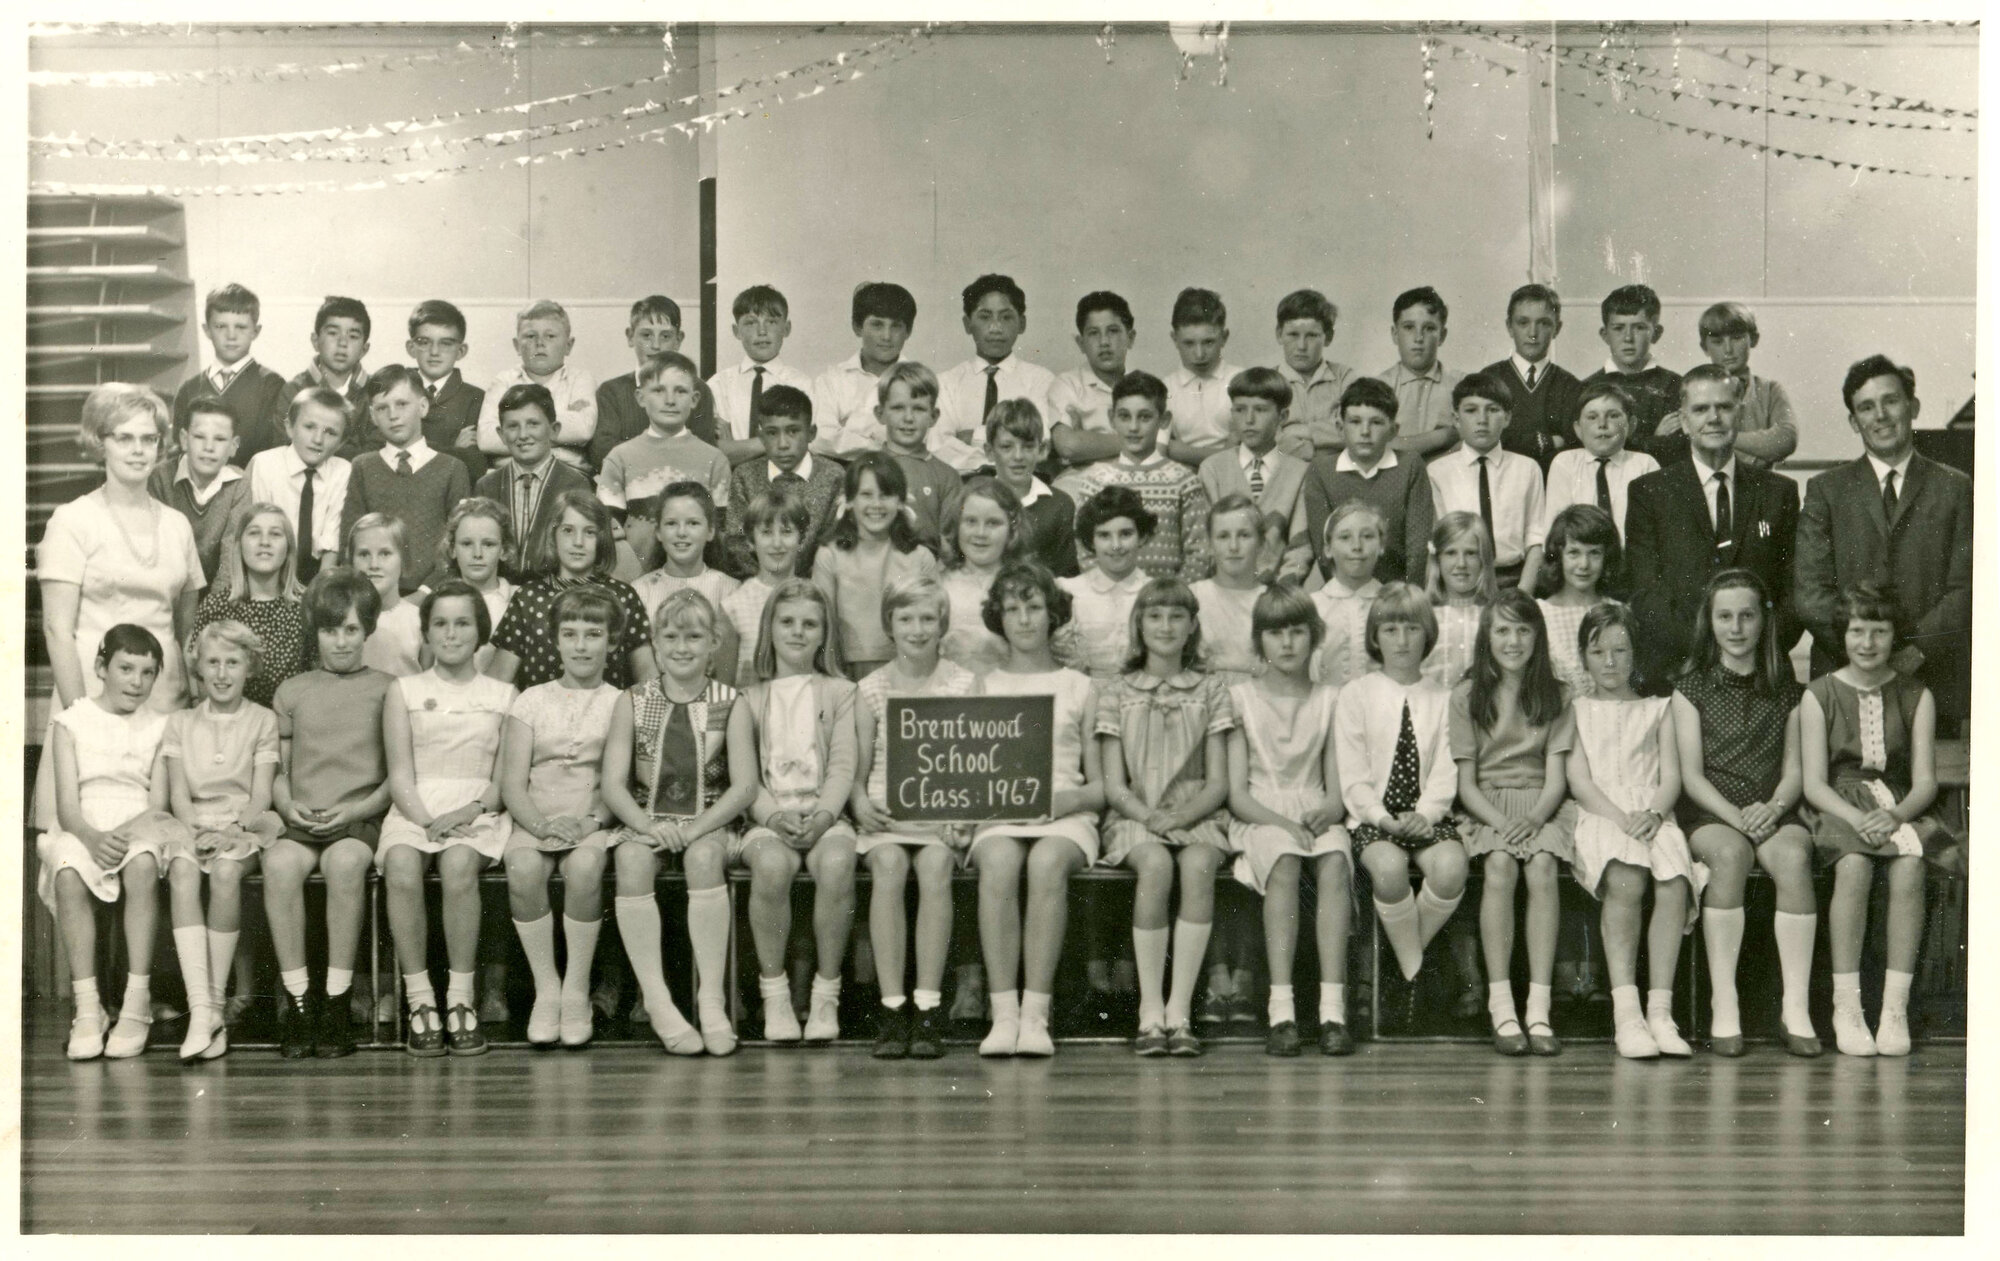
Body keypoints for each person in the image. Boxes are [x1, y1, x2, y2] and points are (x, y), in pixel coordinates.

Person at [1800, 585, 1960, 1058]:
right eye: (1857, 631)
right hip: (1837, 804)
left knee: (1910, 867)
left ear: (1895, 636)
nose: (1867, 643)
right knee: (1853, 866)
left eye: (1879, 631)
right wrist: (1857, 817)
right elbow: (1814, 784)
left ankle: (1894, 1009)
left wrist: (1894, 815)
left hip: (1897, 803)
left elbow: (1925, 782)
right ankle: (1846, 1007)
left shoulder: (1915, 694)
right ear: (1842, 635)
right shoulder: (1819, 694)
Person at [602, 589, 756, 1056]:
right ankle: (658, 1000)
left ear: (713, 644)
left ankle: (711, 999)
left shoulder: (732, 701)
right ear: (654, 643)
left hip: (708, 819)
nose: (682, 647)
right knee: (631, 861)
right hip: (647, 819)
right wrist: (649, 828)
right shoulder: (632, 700)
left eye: (694, 637)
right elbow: (613, 785)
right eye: (670, 637)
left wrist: (693, 830)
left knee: (704, 859)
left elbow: (744, 787)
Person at [1671, 569, 1817, 1057]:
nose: (1736, 628)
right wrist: (1737, 817)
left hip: (1773, 810)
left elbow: (1795, 770)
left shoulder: (1789, 691)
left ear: (1764, 621)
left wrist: (1772, 809)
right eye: (1725, 617)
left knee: (1794, 858)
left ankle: (1795, 1009)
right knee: (1731, 857)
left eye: (1747, 616)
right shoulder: (1690, 689)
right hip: (1713, 814)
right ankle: (1724, 1003)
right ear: (1709, 622)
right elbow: (1691, 777)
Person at [968, 563, 1104, 1058]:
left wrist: (1061, 802)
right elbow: (970, 776)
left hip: (1066, 814)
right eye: (1012, 609)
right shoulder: (983, 686)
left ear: (1053, 614)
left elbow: (1100, 787)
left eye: (1034, 607)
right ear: (998, 619)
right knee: (1000, 861)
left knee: (1046, 862)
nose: (1024, 619)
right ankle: (1004, 1014)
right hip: (1001, 814)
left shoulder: (1080, 686)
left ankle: (1035, 1016)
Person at [1097, 578, 1237, 1057]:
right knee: (1155, 866)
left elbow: (1218, 782)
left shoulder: (1211, 689)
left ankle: (1180, 1012)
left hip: (1197, 813)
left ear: (1193, 625)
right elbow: (1114, 785)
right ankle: (1150, 1010)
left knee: (1198, 865)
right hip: (1135, 814)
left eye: (1177, 616)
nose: (1165, 626)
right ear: (1139, 624)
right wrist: (1151, 817)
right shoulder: (1116, 690)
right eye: (1154, 616)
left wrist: (1181, 816)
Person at [1795, 354, 1973, 726]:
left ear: (1913, 407)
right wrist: (1864, 656)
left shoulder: (1955, 487)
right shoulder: (1826, 490)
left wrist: (1915, 653)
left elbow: (1966, 588)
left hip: (1933, 680)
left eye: (1890, 401)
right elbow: (1811, 593)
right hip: (1844, 682)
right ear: (1853, 421)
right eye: (1866, 407)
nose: (1880, 416)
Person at [378, 581, 515, 1057]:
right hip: (416, 807)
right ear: (426, 632)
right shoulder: (404, 690)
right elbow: (400, 775)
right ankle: (420, 1001)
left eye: (462, 623)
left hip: (478, 809)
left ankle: (460, 999)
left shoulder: (503, 694)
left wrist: (468, 811)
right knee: (400, 863)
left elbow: (502, 781)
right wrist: (428, 820)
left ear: (480, 632)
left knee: (458, 864)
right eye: (440, 623)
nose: (451, 634)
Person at [265, 568, 395, 1059]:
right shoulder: (292, 690)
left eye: (351, 629)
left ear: (368, 630)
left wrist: (355, 810)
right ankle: (300, 1002)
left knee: (344, 864)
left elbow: (396, 776)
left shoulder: (388, 688)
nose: (340, 641)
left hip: (359, 818)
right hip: (302, 820)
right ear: (314, 631)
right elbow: (278, 770)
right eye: (329, 629)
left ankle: (337, 1000)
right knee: (278, 864)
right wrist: (287, 805)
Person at [849, 577, 978, 1059]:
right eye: (906, 618)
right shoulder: (871, 688)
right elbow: (857, 771)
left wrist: (962, 817)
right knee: (888, 867)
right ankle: (891, 1008)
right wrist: (860, 803)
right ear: (890, 624)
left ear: (943, 623)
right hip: (886, 817)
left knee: (936, 868)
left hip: (939, 819)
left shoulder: (964, 683)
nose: (917, 629)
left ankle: (927, 1007)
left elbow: (975, 763)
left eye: (928, 618)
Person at [1564, 601, 1697, 1060]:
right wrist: (1621, 819)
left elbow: (1672, 777)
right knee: (1626, 875)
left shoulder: (1658, 709)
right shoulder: (1575, 710)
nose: (1610, 662)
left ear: (1635, 654)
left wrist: (1654, 814)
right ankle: (1627, 1014)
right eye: (1598, 652)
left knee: (1674, 878)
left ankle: (1661, 1012)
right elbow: (1580, 782)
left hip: (1652, 812)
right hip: (1601, 813)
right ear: (1583, 657)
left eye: (1620, 651)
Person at [1332, 583, 1468, 1032]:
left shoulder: (1444, 698)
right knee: (1388, 869)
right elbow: (1352, 774)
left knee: (1451, 867)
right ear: (1375, 637)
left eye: (1412, 628)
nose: (1402, 640)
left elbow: (1447, 769)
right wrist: (1383, 818)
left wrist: (1425, 815)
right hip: (1375, 818)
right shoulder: (1357, 693)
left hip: (1427, 815)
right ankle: (1410, 972)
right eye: (1390, 629)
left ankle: (1396, 962)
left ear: (1428, 634)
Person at [1226, 585, 1353, 1056]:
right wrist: (1282, 824)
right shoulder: (1239, 698)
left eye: (1297, 631)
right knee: (1284, 859)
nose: (1287, 643)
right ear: (1259, 640)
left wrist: (1328, 811)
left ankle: (1333, 1012)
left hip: (1313, 810)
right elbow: (1237, 795)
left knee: (1335, 860)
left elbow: (1336, 791)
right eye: (1275, 633)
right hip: (1260, 815)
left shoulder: (1332, 698)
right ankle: (1282, 1012)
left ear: (1314, 637)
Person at [37, 625, 174, 1061]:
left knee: (143, 864)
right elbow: (66, 807)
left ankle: (136, 1002)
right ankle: (88, 1008)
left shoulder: (161, 727)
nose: (136, 681)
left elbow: (158, 804)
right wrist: (93, 839)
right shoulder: (71, 721)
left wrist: (124, 836)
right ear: (101, 667)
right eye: (125, 668)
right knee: (67, 870)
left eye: (147, 672)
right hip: (84, 826)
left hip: (139, 822)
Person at [734, 579, 860, 1043]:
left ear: (825, 634)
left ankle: (827, 993)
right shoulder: (749, 697)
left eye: (810, 624)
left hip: (826, 817)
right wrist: (772, 817)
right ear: (769, 629)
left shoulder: (841, 692)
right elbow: (746, 777)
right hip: (770, 818)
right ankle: (776, 995)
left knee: (838, 862)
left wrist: (824, 817)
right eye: (786, 622)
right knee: (770, 867)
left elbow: (843, 764)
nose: (798, 632)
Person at [1450, 591, 1576, 1057]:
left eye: (1523, 630)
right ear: (1486, 637)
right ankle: (1501, 1006)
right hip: (1487, 805)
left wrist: (1536, 818)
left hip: (1542, 802)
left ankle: (1539, 1008)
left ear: (1538, 636)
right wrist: (1503, 823)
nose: (1513, 640)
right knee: (1500, 866)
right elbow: (1466, 785)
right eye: (1502, 630)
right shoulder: (1466, 695)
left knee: (1542, 867)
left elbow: (1557, 777)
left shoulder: (1558, 693)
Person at [1625, 364, 1801, 690]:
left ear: (1740, 414)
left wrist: (1753, 651)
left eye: (1724, 407)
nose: (1714, 418)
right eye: (1701, 409)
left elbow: (1793, 592)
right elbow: (1646, 594)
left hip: (1762, 674)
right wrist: (1706, 652)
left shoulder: (1779, 492)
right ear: (1684, 420)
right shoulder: (1649, 492)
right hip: (1678, 673)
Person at [498, 585, 622, 1047]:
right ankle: (547, 989)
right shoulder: (530, 700)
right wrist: (540, 826)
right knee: (523, 867)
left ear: (612, 641)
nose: (581, 645)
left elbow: (619, 781)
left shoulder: (620, 702)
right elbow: (513, 784)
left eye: (593, 634)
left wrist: (589, 823)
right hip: (536, 819)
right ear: (555, 640)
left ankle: (576, 990)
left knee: (585, 867)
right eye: (570, 634)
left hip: (592, 819)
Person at [41, 383, 206, 724]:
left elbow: (186, 629)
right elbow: (57, 630)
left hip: (165, 701)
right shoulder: (72, 520)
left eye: (149, 439)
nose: (138, 450)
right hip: (91, 697)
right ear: (100, 443)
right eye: (124, 438)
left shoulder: (177, 525)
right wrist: (81, 719)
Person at [160, 620, 284, 1061]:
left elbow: (261, 795)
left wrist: (231, 830)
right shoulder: (180, 722)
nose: (222, 673)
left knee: (227, 871)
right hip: (193, 825)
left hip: (242, 825)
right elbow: (178, 794)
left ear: (250, 667)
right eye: (212, 662)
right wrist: (195, 830)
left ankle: (213, 1002)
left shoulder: (262, 720)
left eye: (232, 662)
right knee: (181, 869)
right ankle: (203, 1009)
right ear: (198, 668)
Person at [487, 490, 655, 691]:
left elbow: (646, 674)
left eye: (589, 532)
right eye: (568, 530)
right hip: (539, 710)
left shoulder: (622, 596)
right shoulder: (528, 597)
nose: (578, 542)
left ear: (602, 539)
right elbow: (498, 681)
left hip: (607, 710)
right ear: (553, 535)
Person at [1064, 370, 1213, 583]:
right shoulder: (1096, 481)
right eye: (1124, 416)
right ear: (1112, 418)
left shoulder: (1183, 480)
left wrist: (1171, 596)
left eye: (1144, 417)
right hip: (1110, 597)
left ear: (1164, 420)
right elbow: (1086, 550)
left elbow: (1200, 553)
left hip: (1168, 598)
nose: (1133, 427)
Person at [1290, 377, 1435, 586]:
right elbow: (1324, 548)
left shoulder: (1410, 465)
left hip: (1398, 591)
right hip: (1344, 590)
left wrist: (1407, 596)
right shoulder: (1321, 470)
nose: (1365, 432)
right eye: (1355, 422)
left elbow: (1418, 548)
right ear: (1340, 427)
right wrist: (1347, 594)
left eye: (1376, 422)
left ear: (1393, 430)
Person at [811, 451, 941, 679]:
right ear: (850, 500)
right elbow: (822, 624)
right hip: (844, 672)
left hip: (908, 670)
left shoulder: (920, 557)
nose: (876, 504)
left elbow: (934, 623)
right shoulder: (829, 555)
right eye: (866, 494)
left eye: (886, 495)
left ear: (900, 501)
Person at [595, 351, 732, 569]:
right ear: (640, 397)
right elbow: (608, 534)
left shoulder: (714, 460)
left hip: (697, 579)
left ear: (695, 399)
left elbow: (721, 535)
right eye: (658, 390)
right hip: (634, 579)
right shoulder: (619, 458)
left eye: (680, 391)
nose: (670, 400)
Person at [342, 365, 471, 592]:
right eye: (382, 408)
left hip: (433, 594)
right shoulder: (362, 467)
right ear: (372, 416)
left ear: (423, 407)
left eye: (402, 404)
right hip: (373, 592)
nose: (393, 415)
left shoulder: (452, 469)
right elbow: (350, 541)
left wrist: (424, 593)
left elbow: (458, 545)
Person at [1426, 371, 1546, 590]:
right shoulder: (1437, 472)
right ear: (1456, 419)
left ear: (1507, 418)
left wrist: (1523, 593)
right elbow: (1438, 542)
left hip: (1514, 579)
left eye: (1492, 410)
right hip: (1460, 580)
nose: (1482, 420)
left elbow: (1536, 538)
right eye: (1471, 410)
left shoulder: (1527, 469)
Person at [472, 383, 597, 580]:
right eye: (513, 426)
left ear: (554, 430)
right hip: (500, 587)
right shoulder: (486, 486)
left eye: (533, 424)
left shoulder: (575, 484)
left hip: (554, 588)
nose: (523, 435)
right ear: (501, 435)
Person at [1653, 302, 1797, 472]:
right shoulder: (1688, 389)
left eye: (1737, 338)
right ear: (1704, 347)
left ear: (1753, 339)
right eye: (1717, 341)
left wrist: (1718, 435)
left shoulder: (1770, 390)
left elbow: (1786, 440)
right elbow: (1675, 445)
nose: (1728, 350)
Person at [191, 503, 308, 709]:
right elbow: (200, 677)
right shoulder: (215, 607)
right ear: (239, 545)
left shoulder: (306, 608)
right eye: (254, 533)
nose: (264, 542)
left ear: (289, 547)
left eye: (275, 534)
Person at [722, 382, 846, 574]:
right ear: (761, 436)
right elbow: (737, 541)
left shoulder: (833, 476)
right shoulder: (745, 475)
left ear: (811, 433)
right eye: (772, 433)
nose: (783, 444)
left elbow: (835, 541)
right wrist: (767, 581)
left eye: (793, 431)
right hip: (759, 581)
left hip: (816, 583)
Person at [1199, 367, 1310, 580]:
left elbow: (1300, 547)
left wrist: (1281, 591)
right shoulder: (1212, 469)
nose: (1249, 419)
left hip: (1279, 591)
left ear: (1282, 416)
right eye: (1240, 410)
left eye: (1260, 410)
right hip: (1225, 586)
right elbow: (1206, 542)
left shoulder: (1299, 472)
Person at [590, 296, 721, 470]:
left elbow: (704, 452)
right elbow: (602, 452)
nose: (656, 345)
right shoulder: (611, 391)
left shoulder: (698, 389)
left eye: (665, 336)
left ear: (678, 340)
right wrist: (670, 453)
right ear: (630, 336)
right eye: (646, 335)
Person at [245, 386, 353, 585]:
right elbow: (259, 531)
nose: (318, 439)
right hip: (270, 573)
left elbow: (332, 542)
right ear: (289, 428)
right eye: (309, 427)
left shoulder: (343, 471)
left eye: (330, 432)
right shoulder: (264, 464)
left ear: (341, 442)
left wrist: (318, 592)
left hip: (320, 575)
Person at [631, 482, 741, 676]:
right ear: (658, 532)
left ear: (710, 531)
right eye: (671, 523)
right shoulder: (640, 591)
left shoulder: (731, 590)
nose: (681, 532)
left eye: (693, 523)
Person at [473, 300, 598, 471]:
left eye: (550, 336)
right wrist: (558, 428)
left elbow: (583, 430)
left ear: (568, 345)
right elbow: (487, 439)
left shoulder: (580, 379)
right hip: (510, 472)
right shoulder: (504, 381)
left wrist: (516, 428)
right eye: (531, 336)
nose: (540, 343)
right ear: (517, 345)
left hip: (567, 471)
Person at [937, 273, 1056, 449]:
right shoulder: (946, 383)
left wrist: (973, 436)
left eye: (1006, 317)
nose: (995, 328)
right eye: (985, 317)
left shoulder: (1040, 380)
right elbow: (939, 444)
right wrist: (1012, 437)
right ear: (967, 324)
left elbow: (1040, 436)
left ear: (1022, 324)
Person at [148, 397, 253, 585]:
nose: (208, 448)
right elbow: (156, 553)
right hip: (168, 588)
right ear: (184, 439)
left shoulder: (240, 484)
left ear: (233, 446)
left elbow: (231, 562)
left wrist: (212, 603)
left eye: (220, 439)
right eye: (199, 437)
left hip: (219, 594)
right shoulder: (159, 478)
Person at [707, 285, 815, 466]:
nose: (762, 331)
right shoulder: (718, 385)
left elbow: (804, 446)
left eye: (771, 322)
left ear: (786, 328)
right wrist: (779, 438)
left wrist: (736, 447)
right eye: (751, 323)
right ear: (736, 331)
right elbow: (716, 453)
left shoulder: (801, 384)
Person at [1539, 380, 1658, 543]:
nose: (1602, 424)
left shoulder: (1645, 464)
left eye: (1613, 416)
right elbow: (1556, 529)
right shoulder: (1565, 463)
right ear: (1578, 429)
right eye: (1592, 417)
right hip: (1582, 555)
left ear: (1631, 425)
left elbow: (1654, 529)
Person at [174, 282, 285, 456]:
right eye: (221, 326)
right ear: (207, 330)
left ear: (255, 331)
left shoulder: (271, 385)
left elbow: (273, 452)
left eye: (241, 327)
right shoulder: (189, 389)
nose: (231, 336)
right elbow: (181, 451)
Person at [1057, 486, 1155, 678]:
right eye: (1104, 535)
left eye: (1125, 534)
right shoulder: (1070, 591)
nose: (1116, 545)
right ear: (1091, 541)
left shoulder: (1155, 592)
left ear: (1142, 536)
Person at [811, 280, 918, 457]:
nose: (886, 336)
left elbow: (925, 441)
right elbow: (819, 438)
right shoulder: (832, 380)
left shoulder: (921, 382)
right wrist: (881, 445)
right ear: (857, 327)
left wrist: (848, 430)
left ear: (908, 331)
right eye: (877, 325)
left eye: (896, 326)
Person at [1479, 283, 1581, 469]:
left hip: (1552, 480)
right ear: (1509, 327)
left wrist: (1513, 440)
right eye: (1523, 323)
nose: (1533, 333)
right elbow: (1485, 437)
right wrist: (1548, 442)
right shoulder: (1489, 378)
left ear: (1557, 328)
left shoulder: (1570, 385)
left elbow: (1573, 445)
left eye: (1543, 323)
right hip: (1499, 477)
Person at [260, 295, 372, 462]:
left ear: (364, 349)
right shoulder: (294, 390)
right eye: (333, 333)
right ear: (315, 341)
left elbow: (378, 451)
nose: (342, 343)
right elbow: (284, 445)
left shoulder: (376, 390)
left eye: (353, 336)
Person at [980, 398, 1078, 578]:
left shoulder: (1059, 505)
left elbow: (1065, 576)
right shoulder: (976, 502)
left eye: (1028, 446)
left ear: (1042, 450)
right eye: (1006, 447)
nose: (1018, 456)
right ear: (990, 451)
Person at [1581, 285, 1680, 460]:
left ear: (1656, 333)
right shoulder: (1587, 388)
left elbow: (1677, 447)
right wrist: (1655, 440)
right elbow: (1591, 449)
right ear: (1605, 334)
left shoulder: (1674, 385)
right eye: (1618, 328)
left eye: (1639, 328)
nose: (1628, 338)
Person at [722, 490, 811, 684]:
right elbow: (724, 686)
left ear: (801, 540)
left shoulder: (814, 600)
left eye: (786, 532)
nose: (777, 543)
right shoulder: (734, 606)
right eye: (766, 533)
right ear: (751, 541)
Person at [939, 478, 1026, 674]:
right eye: (971, 521)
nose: (980, 533)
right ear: (957, 526)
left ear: (1012, 530)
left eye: (993, 523)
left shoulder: (1026, 586)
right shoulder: (939, 585)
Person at [876, 363, 972, 536]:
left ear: (933, 417)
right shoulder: (864, 470)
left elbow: (951, 541)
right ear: (880, 413)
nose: (908, 418)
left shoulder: (947, 477)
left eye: (919, 409)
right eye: (898, 408)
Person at [1047, 291, 1136, 474]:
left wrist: (1088, 441)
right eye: (1094, 333)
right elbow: (1068, 446)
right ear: (1081, 343)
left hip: (1137, 477)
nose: (1104, 342)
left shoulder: (1145, 385)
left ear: (1130, 338)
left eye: (1113, 331)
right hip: (1083, 479)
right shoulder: (1067, 384)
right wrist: (1140, 440)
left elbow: (1165, 444)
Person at [1536, 504, 1620, 698]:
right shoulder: (1539, 613)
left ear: (1607, 556)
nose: (1584, 564)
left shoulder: (1619, 611)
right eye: (1574, 552)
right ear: (1558, 556)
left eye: (1594, 553)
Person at [404, 298, 487, 482]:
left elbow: (475, 466)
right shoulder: (397, 390)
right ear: (411, 348)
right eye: (424, 342)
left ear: (461, 351)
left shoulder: (476, 398)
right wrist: (454, 450)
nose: (434, 352)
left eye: (446, 343)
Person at [1372, 286, 1461, 457]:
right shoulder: (1378, 387)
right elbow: (1375, 445)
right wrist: (1445, 436)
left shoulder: (1460, 385)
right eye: (1408, 327)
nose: (1418, 338)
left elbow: (1470, 444)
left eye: (1429, 328)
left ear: (1442, 336)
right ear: (1395, 334)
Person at [1270, 288, 1358, 460]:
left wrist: (1299, 431)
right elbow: (1267, 439)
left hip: (1336, 472)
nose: (1301, 346)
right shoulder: (1266, 382)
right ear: (1279, 335)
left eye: (1312, 335)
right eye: (1293, 334)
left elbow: (1355, 429)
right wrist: (1320, 447)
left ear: (1328, 337)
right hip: (1284, 471)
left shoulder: (1345, 377)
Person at [1162, 287, 1244, 467]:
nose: (1199, 354)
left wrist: (1181, 451)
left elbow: (1248, 448)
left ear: (1224, 337)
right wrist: (1225, 453)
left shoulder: (1242, 380)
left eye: (1208, 342)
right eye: (1189, 343)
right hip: (1182, 477)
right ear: (1175, 339)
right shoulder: (1164, 389)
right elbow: (1162, 449)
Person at [1309, 501, 1386, 688]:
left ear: (1381, 546)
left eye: (1367, 536)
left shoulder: (1392, 603)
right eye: (1345, 537)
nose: (1357, 546)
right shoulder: (1313, 607)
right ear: (1328, 549)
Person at [1191, 494, 1267, 684]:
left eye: (1244, 535)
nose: (1233, 546)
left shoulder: (1274, 601)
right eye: (1223, 536)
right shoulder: (1193, 597)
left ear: (1261, 544)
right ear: (1209, 545)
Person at [437, 497, 515, 674]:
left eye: (488, 544)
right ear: (452, 549)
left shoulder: (517, 601)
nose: (477, 554)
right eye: (467, 544)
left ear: (504, 550)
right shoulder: (437, 601)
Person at [1422, 512, 1496, 691]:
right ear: (1437, 559)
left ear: (1483, 559)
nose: (1461, 563)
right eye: (1451, 553)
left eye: (1470, 553)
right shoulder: (1424, 616)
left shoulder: (1494, 615)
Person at [345, 514, 425, 678]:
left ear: (403, 561)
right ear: (351, 561)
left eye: (385, 553)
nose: (374, 565)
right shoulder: (342, 619)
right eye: (364, 554)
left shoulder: (419, 621)